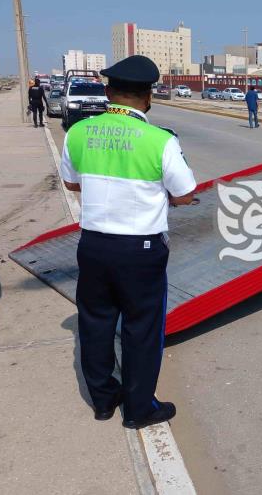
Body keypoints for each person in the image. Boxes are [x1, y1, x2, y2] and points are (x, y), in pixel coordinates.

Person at [60, 55, 197, 429]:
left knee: (96, 324)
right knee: (141, 329)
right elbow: (185, 193)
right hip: (141, 252)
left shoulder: (79, 132)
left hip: (93, 246)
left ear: (108, 93)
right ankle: (139, 410)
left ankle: (103, 401)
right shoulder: (160, 140)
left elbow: (73, 183)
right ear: (148, 96)